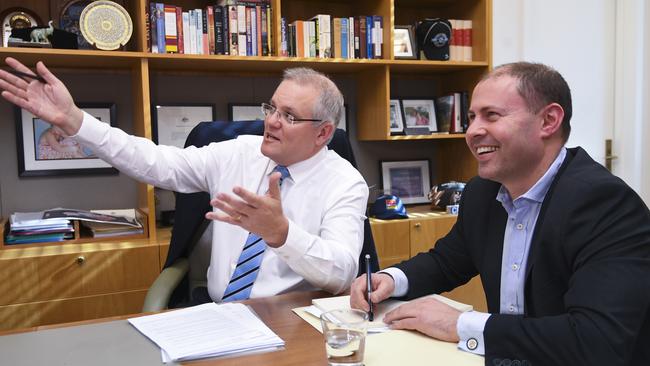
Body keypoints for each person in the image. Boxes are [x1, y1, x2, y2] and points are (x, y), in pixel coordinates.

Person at [350, 62, 650, 366]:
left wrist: (460, 324)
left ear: (549, 120)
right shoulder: (482, 192)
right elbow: (447, 261)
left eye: (491, 116)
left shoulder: (605, 204)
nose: (473, 131)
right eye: (471, 118)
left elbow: (596, 339)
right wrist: (390, 279)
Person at [0, 57, 369, 303]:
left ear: (323, 134)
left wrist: (281, 233)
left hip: (293, 322)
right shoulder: (238, 152)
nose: (270, 121)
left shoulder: (344, 182)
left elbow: (341, 273)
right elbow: (156, 163)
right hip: (220, 316)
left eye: (289, 116)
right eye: (271, 108)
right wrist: (76, 121)